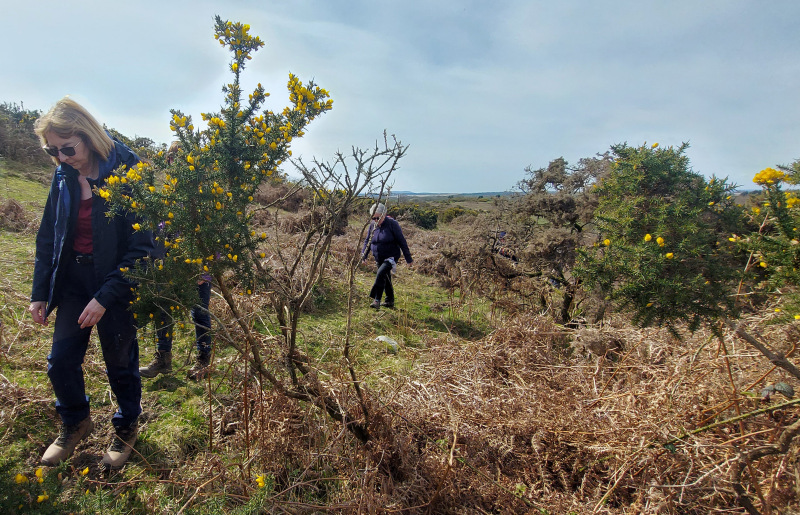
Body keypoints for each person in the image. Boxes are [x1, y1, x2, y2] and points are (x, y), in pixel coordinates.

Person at [29, 97, 154, 469]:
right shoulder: (63, 172)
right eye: (53, 150)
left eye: (68, 148)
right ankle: (75, 422)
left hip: (115, 283)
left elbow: (143, 247)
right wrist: (40, 291)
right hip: (72, 280)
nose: (61, 157)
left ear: (88, 136)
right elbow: (49, 234)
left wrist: (106, 295)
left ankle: (126, 426)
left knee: (119, 361)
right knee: (60, 361)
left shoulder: (127, 168)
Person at [139, 142, 214, 380]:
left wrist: (205, 269)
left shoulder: (204, 195)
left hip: (197, 265)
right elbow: (163, 228)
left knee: (199, 313)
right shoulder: (169, 194)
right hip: (170, 263)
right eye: (172, 160)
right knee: (163, 308)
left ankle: (203, 362)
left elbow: (213, 233)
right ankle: (163, 359)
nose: (176, 165)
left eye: (181, 160)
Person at [361, 203, 413, 309]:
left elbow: (402, 241)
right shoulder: (372, 225)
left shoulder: (392, 224)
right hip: (378, 256)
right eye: (373, 218)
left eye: (378, 218)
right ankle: (390, 301)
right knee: (386, 278)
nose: (376, 220)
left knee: (380, 274)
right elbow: (368, 241)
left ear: (384, 215)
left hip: (391, 256)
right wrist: (364, 255)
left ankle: (376, 300)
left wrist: (408, 258)